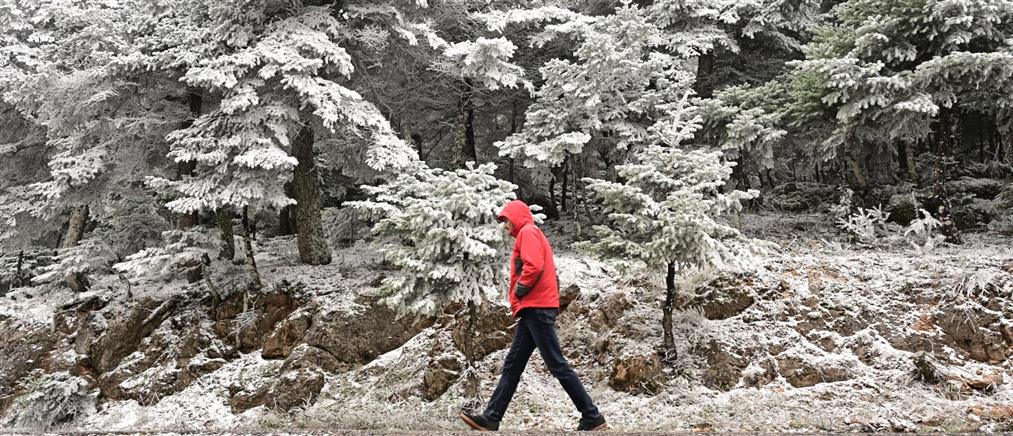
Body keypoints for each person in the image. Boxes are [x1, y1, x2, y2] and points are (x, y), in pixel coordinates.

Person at [460, 199, 607, 432]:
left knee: (557, 364)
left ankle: (592, 416)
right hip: (534, 308)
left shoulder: (528, 232)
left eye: (505, 220)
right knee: (513, 365)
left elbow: (534, 266)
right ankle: (491, 417)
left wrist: (520, 290)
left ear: (516, 216)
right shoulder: (529, 233)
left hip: (537, 306)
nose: (504, 226)